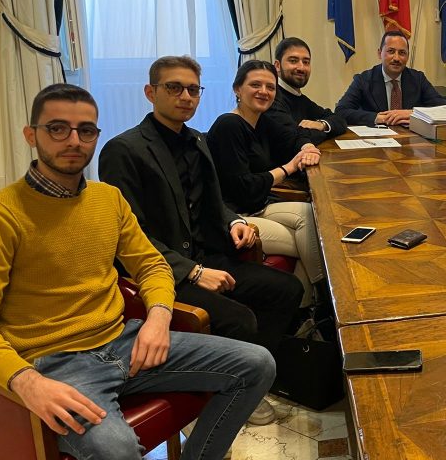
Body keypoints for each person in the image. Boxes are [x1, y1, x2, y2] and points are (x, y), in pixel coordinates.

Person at [0, 83, 275, 460]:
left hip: (123, 342)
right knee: (119, 452)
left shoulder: (107, 199)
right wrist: (27, 382)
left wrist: (158, 317)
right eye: (57, 129)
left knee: (256, 364)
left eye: (85, 130)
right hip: (56, 366)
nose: (73, 140)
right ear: (31, 135)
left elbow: (151, 265)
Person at [99, 55, 303, 426]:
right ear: (150, 92)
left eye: (193, 90)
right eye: (174, 88)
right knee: (239, 319)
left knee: (287, 289)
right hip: (162, 272)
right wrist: (192, 272)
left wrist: (235, 222)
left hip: (207, 256)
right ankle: (229, 396)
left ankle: (252, 381)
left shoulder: (197, 140)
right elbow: (131, 236)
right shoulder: (123, 150)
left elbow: (215, 202)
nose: (186, 97)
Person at [206, 60, 326, 306]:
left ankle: (308, 307)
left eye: (270, 87)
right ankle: (323, 299)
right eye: (255, 85)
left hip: (259, 204)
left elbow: (294, 136)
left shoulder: (260, 120)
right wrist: (288, 168)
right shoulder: (229, 125)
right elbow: (244, 188)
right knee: (312, 241)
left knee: (313, 215)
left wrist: (307, 147)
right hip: (235, 215)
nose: (264, 91)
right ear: (237, 89)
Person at [335, 29, 446, 126]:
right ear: (379, 53)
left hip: (411, 139)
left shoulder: (418, 79)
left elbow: (445, 110)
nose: (396, 58)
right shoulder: (363, 80)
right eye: (391, 51)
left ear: (407, 56)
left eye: (402, 53)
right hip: (377, 139)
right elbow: (341, 111)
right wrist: (378, 118)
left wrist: (413, 113)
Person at [266, 36, 347, 147]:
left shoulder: (299, 98)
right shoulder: (270, 97)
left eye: (306, 62)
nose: (301, 67)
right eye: (293, 61)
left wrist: (322, 125)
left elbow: (339, 120)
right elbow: (293, 139)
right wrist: (322, 132)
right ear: (277, 66)